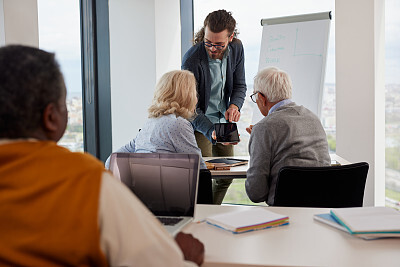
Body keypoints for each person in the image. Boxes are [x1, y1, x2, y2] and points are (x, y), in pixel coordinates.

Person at [0, 45, 204, 267]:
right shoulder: (84, 183)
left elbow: (117, 155)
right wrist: (186, 260)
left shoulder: (149, 124)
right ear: (51, 118)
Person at [182, 9, 247, 204]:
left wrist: (235, 105)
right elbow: (190, 108)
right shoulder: (192, 59)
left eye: (219, 44)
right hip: (201, 123)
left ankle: (210, 210)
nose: (212, 48)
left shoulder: (237, 48)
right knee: (204, 177)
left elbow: (239, 85)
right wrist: (210, 130)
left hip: (222, 120)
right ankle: (204, 214)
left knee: (227, 176)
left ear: (231, 37)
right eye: (208, 42)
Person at [245, 67, 331, 205]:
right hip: (319, 209)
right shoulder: (313, 118)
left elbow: (256, 193)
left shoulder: (264, 127)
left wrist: (258, 140)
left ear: (261, 98)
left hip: (283, 212)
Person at [105, 70, 206, 170]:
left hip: (144, 184)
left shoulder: (150, 122)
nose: (196, 98)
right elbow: (199, 167)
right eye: (194, 93)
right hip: (171, 185)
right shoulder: (178, 124)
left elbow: (110, 161)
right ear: (186, 96)